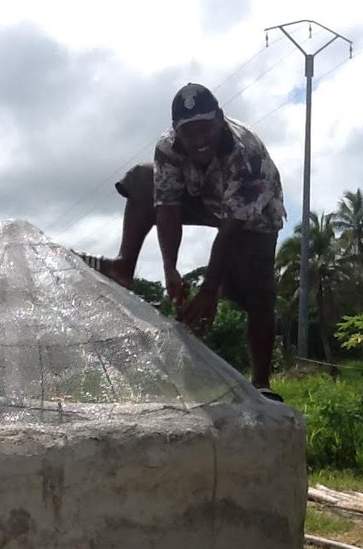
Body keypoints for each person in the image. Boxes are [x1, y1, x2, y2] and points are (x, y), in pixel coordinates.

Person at [75, 82, 286, 400]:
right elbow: (168, 207)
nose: (199, 141)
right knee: (142, 179)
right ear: (176, 131)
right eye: (190, 133)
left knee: (259, 297)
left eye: (206, 129)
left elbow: (230, 230)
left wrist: (209, 290)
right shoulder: (168, 148)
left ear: (220, 119)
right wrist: (170, 270)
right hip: (207, 199)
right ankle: (123, 266)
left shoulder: (247, 155)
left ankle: (261, 382)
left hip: (253, 216)